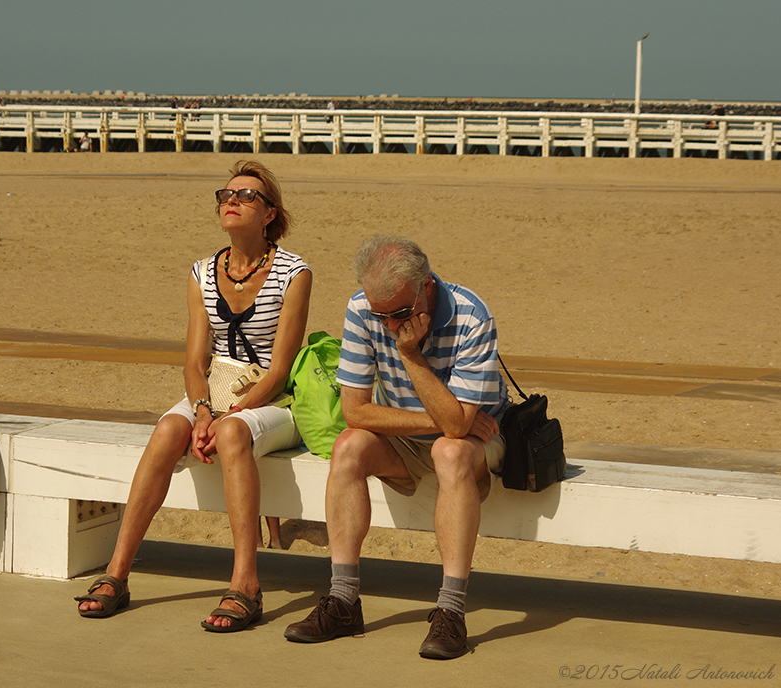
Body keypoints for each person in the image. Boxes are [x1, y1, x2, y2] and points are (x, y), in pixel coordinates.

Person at [74, 160, 312, 632]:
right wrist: (204, 410)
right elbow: (193, 361)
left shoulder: (294, 272)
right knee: (167, 429)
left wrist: (226, 417)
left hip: (273, 401)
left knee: (234, 433)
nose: (232, 200)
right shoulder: (202, 272)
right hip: (216, 391)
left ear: (269, 214)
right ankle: (117, 574)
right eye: (226, 194)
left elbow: (281, 370)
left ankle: (246, 583)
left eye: (246, 196)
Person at [283, 235, 508, 660]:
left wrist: (410, 356)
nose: (389, 325)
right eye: (380, 315)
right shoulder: (361, 308)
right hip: (413, 434)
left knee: (450, 452)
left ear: (427, 286)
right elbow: (356, 412)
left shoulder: (471, 315)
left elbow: (460, 431)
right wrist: (440, 419)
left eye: (400, 314)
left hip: (478, 443)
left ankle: (451, 611)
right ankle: (344, 599)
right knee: (348, 445)